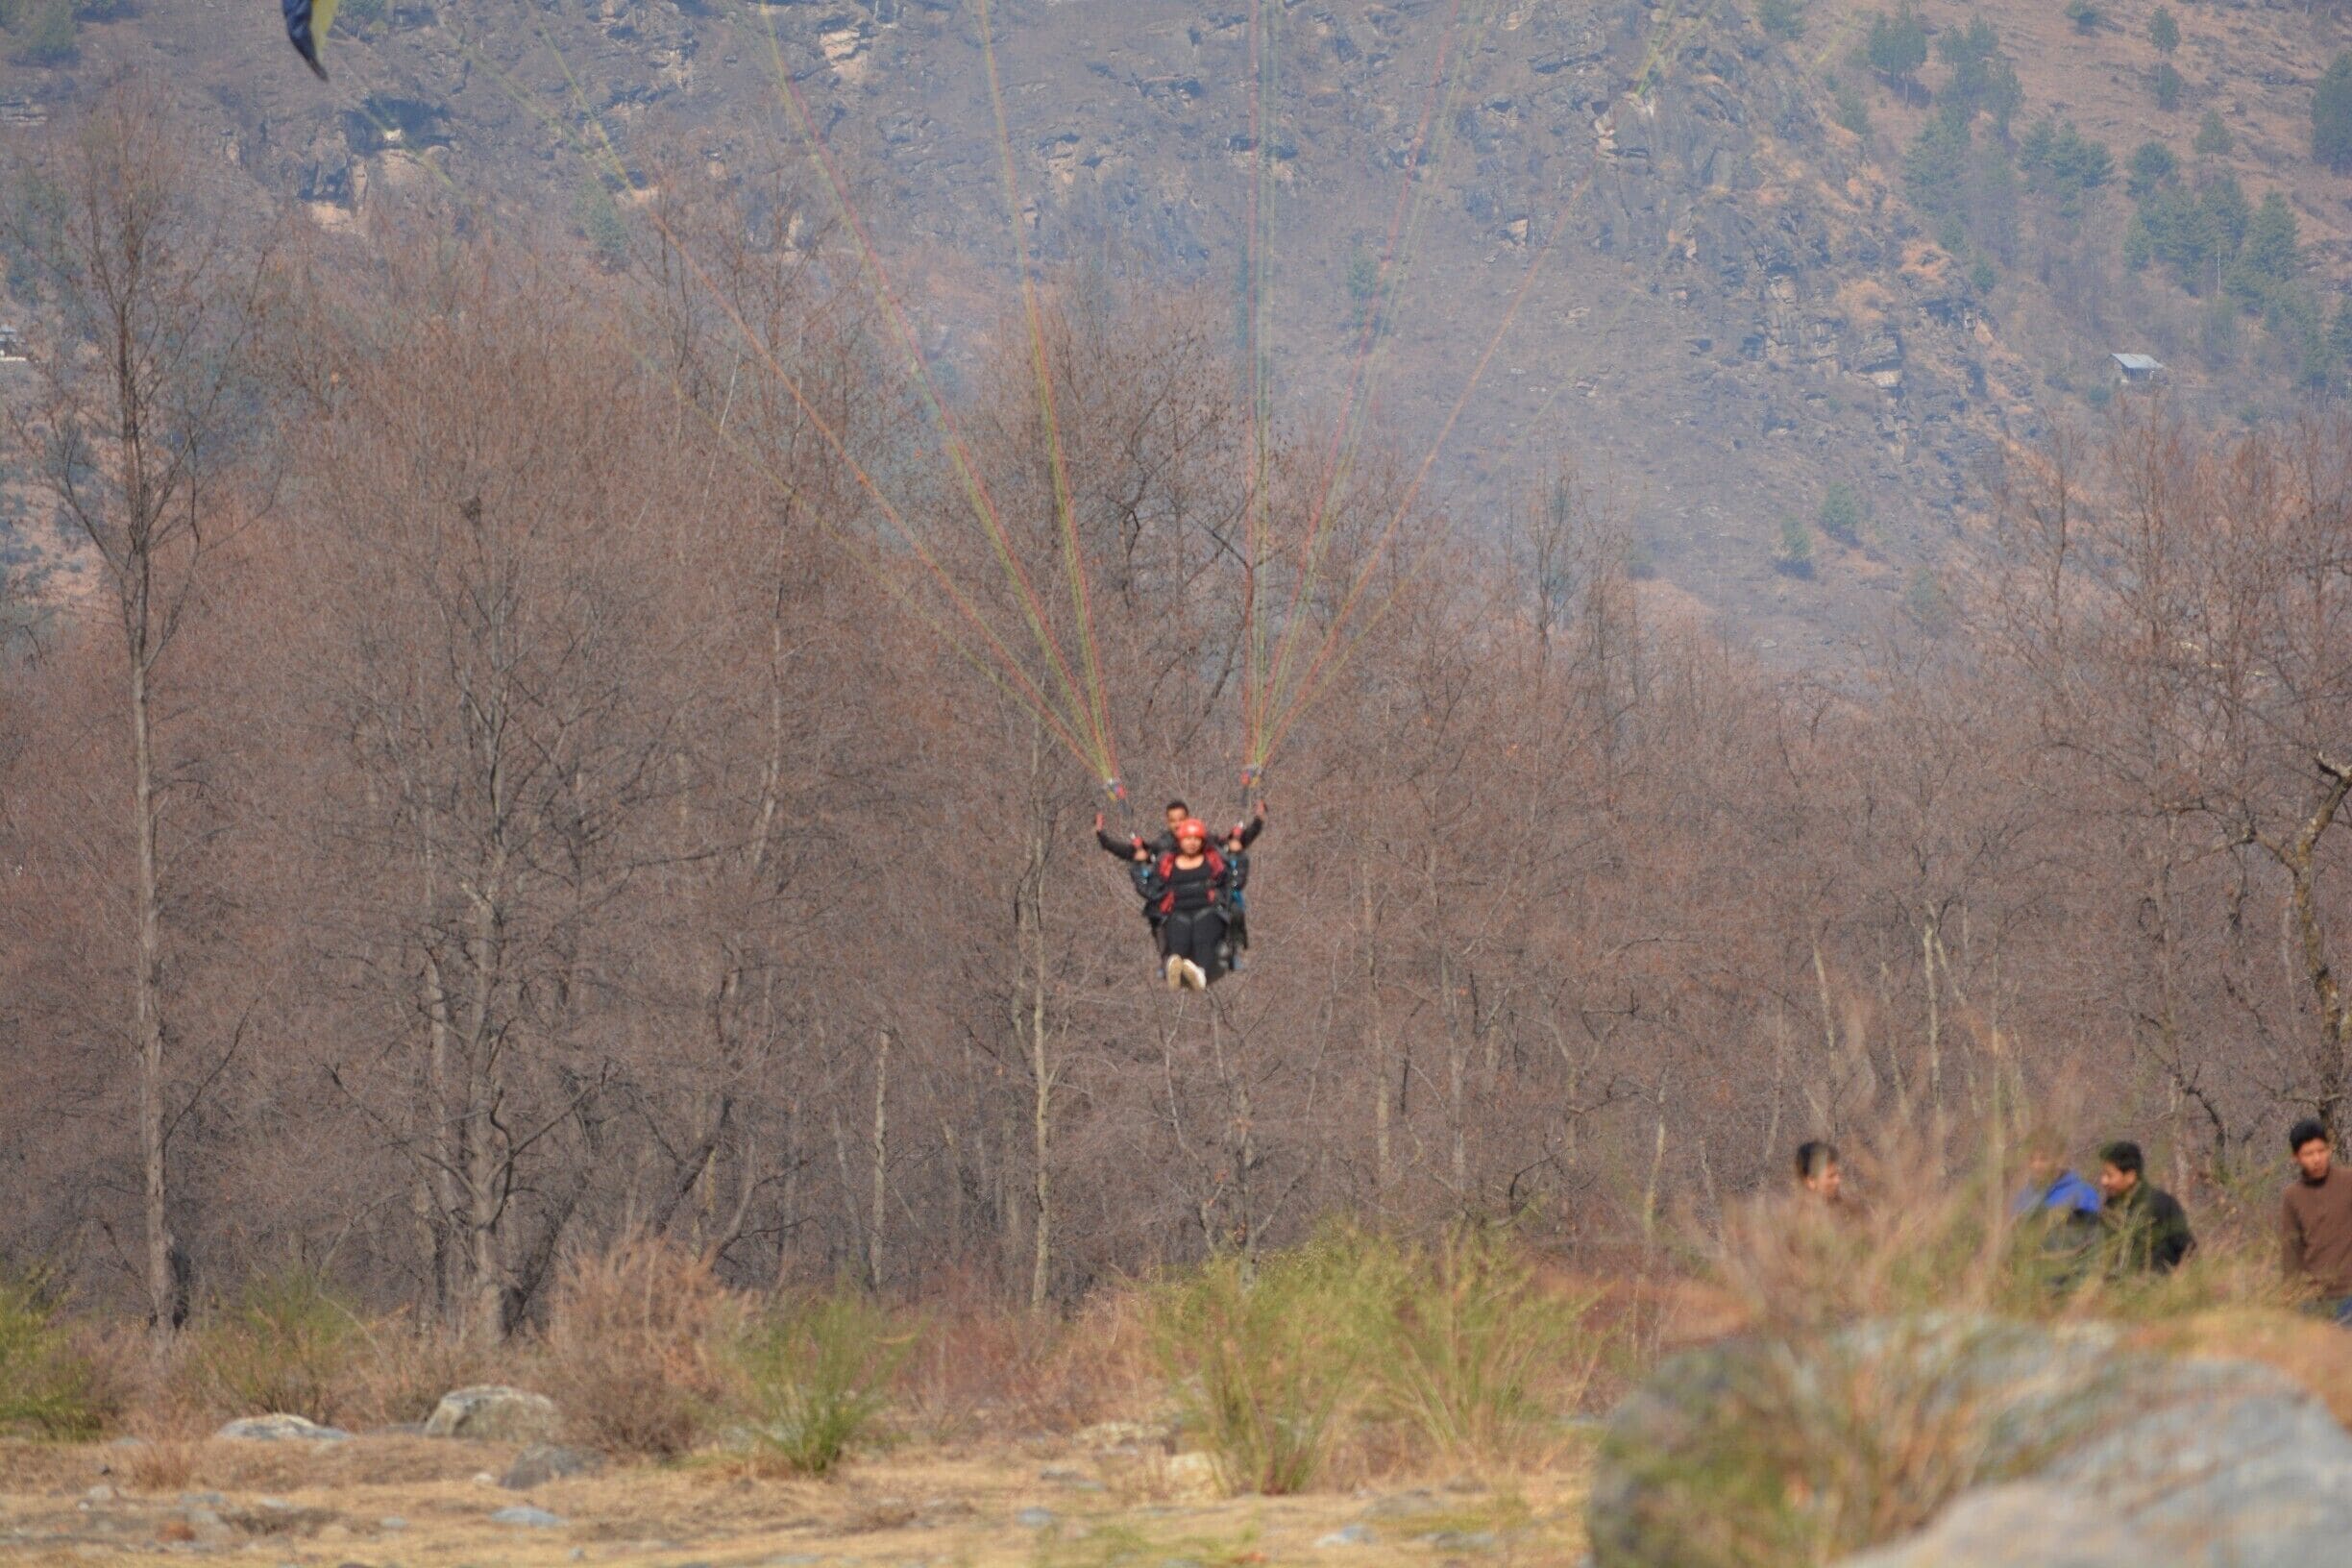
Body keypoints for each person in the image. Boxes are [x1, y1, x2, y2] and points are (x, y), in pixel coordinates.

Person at [1096, 797, 1266, 966]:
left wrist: (1257, 822)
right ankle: (1170, 957)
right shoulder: (1162, 846)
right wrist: (1104, 839)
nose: (1178, 824)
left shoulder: (1205, 840)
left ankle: (1232, 949)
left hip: (1206, 896)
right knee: (1156, 914)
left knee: (1234, 903)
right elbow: (1130, 852)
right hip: (1178, 899)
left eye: (1181, 819)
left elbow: (1235, 844)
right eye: (1173, 821)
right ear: (1167, 822)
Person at [1141, 817, 1246, 991]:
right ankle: (1175, 967)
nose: (1192, 843)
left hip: (1208, 909)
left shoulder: (1214, 860)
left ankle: (1201, 973)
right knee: (1178, 937)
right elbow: (1153, 888)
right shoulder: (1167, 862)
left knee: (1201, 935)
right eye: (1188, 839)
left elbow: (1230, 882)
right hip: (1177, 910)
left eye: (1196, 839)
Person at [2281, 1118, 2352, 1326]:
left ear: (2329, 1149)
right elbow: (2291, 1247)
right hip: (2314, 1296)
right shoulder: (2292, 1195)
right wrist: (2290, 1293)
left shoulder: (2348, 1182)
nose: (2317, 1159)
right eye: (2309, 1154)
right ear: (2296, 1157)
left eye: (2321, 1151)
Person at [2094, 1140, 2194, 1275]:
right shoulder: (2108, 1209)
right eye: (2103, 1175)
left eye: (2109, 1175)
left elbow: (2188, 1251)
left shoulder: (2162, 1205)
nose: (2103, 1181)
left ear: (2130, 1176)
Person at [1795, 1140, 1844, 1205]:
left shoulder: (1848, 1211)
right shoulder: (1795, 1213)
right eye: (1830, 1176)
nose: (1838, 1180)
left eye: (1838, 1174)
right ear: (1811, 1180)